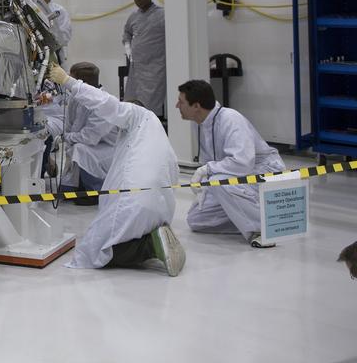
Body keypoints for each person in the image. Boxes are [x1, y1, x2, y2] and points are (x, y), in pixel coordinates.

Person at [48, 63, 185, 276]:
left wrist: (69, 82)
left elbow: (106, 104)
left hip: (136, 201)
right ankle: (153, 236)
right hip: (161, 208)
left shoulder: (136, 113)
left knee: (93, 251)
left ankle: (149, 246)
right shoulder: (154, 131)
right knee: (117, 230)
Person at [177, 79, 285, 248]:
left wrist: (207, 170)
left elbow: (243, 163)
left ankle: (262, 230)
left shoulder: (230, 119)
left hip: (265, 171)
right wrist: (205, 186)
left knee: (221, 181)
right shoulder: (200, 124)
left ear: (196, 106)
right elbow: (214, 160)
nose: (177, 106)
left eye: (181, 102)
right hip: (237, 175)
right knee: (197, 219)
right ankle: (254, 219)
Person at [41, 62, 119, 203]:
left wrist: (66, 137)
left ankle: (95, 191)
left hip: (104, 149)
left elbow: (89, 137)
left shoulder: (103, 104)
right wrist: (48, 98)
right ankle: (78, 186)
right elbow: (70, 121)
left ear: (83, 83)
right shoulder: (77, 98)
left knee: (80, 149)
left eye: (72, 78)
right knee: (76, 153)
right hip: (85, 145)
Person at [123, 0, 166, 119]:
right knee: (133, 104)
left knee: (151, 107)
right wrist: (128, 48)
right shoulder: (134, 17)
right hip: (137, 68)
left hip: (156, 67)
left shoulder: (163, 15)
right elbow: (127, 33)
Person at [34, 0, 72, 64]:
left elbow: (65, 37)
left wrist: (51, 37)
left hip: (55, 53)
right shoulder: (32, 9)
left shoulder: (59, 11)